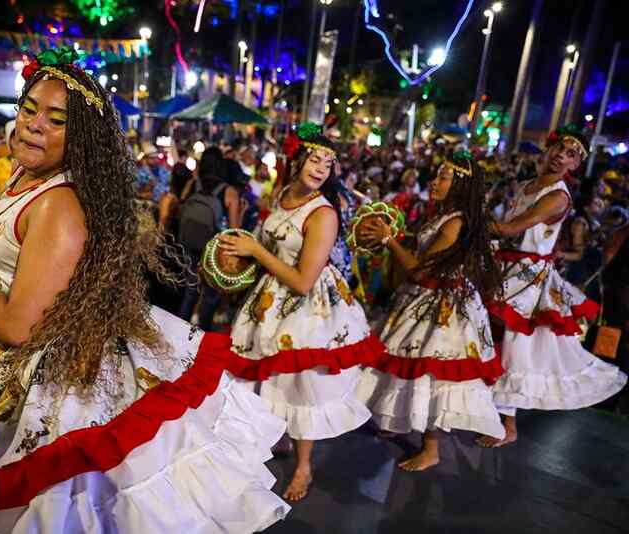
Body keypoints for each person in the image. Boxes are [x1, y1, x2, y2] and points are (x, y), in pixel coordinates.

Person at [0, 50, 289, 532]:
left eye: (55, 120)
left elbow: (19, 323)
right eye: (29, 110)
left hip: (44, 380)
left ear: (81, 139)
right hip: (3, 365)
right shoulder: (25, 177)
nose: (34, 125)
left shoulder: (58, 205)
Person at [224, 124, 380, 501]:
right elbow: (265, 245)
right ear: (295, 160)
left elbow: (303, 281)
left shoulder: (323, 214)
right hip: (269, 301)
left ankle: (304, 467)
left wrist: (257, 253)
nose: (321, 168)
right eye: (315, 159)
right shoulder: (282, 195)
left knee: (302, 385)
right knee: (267, 377)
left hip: (307, 309)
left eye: (328, 163)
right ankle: (275, 437)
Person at [355, 153, 506, 471]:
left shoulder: (455, 222)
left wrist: (389, 240)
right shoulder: (444, 215)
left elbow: (421, 272)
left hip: (443, 307)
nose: (433, 182)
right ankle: (397, 422)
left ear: (460, 186)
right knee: (406, 364)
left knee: (431, 374)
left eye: (442, 178)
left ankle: (431, 448)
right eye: (436, 176)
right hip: (425, 299)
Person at [481, 127, 627, 448]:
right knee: (492, 334)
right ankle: (482, 407)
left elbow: (510, 228)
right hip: (507, 268)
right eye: (559, 148)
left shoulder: (557, 196)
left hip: (528, 279)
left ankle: (508, 425)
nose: (562, 155)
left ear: (575, 165)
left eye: (571, 154)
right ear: (547, 150)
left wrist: (468, 220)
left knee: (514, 343)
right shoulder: (524, 186)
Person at [177, 146, 241, 330]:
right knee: (211, 295)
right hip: (212, 249)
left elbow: (182, 209)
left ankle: (178, 332)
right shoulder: (229, 192)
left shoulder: (192, 184)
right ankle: (201, 336)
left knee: (189, 291)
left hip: (188, 243)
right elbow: (234, 229)